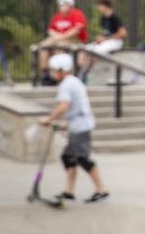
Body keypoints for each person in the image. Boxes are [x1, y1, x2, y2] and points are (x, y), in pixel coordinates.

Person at [40, 53, 109, 204]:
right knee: (68, 157)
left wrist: (48, 119)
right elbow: (78, 105)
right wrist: (66, 123)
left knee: (83, 159)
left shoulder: (66, 84)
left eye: (53, 70)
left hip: (80, 127)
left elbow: (64, 106)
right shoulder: (74, 81)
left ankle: (101, 191)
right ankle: (69, 192)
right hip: (78, 124)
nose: (52, 73)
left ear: (61, 70)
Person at [33, 0, 88, 85]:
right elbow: (50, 29)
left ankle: (66, 74)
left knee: (60, 46)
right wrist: (57, 36)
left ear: (70, 5)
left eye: (64, 4)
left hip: (74, 41)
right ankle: (46, 74)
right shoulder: (58, 16)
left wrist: (62, 37)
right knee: (43, 46)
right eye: (60, 4)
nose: (61, 7)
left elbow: (77, 30)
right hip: (59, 40)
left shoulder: (77, 13)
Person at [76, 0, 127, 79]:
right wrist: (100, 37)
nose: (98, 8)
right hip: (106, 41)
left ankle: (86, 73)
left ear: (105, 6)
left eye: (99, 6)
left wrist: (106, 39)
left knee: (96, 52)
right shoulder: (103, 18)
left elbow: (123, 33)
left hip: (115, 42)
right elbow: (106, 32)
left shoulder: (115, 17)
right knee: (85, 49)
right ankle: (80, 71)